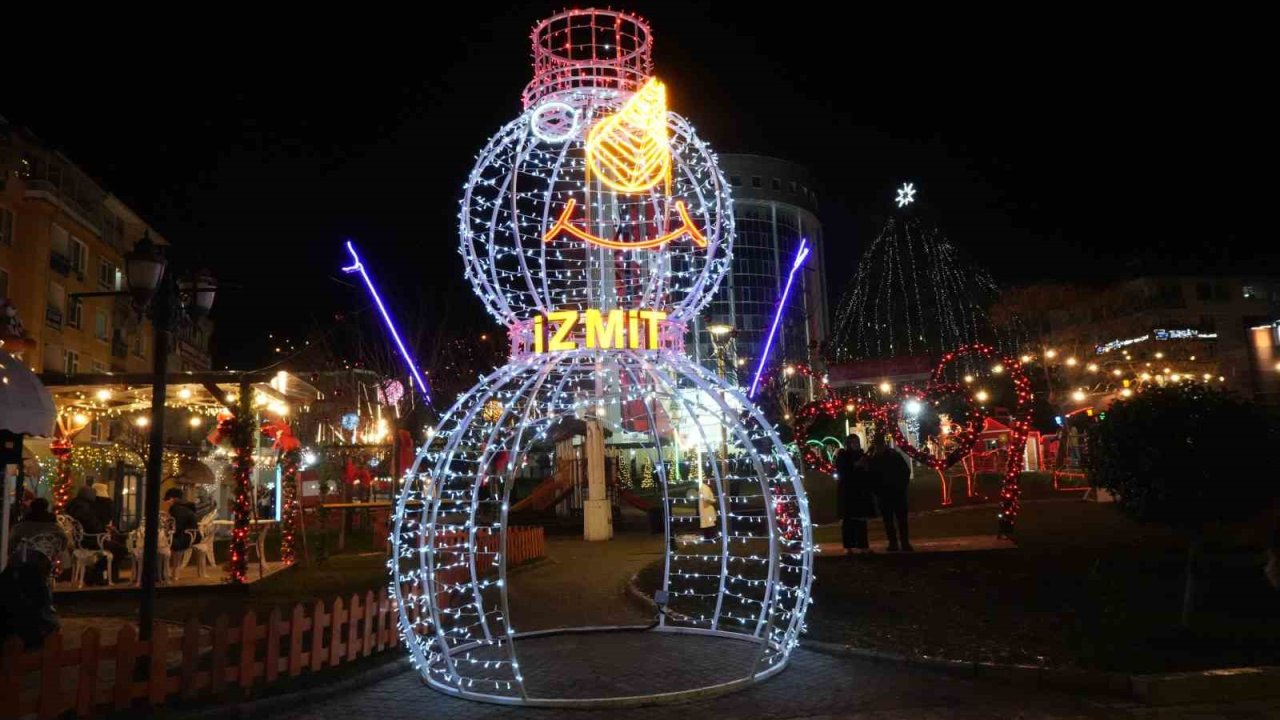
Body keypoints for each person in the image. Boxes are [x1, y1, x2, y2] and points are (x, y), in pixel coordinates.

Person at [65, 485, 128, 584]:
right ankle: (95, 572)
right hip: (91, 540)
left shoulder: (74, 505)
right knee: (121, 549)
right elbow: (92, 525)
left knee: (116, 546)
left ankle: (96, 574)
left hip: (81, 540)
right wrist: (104, 529)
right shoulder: (84, 508)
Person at [869, 433, 913, 552]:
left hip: (896, 493)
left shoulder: (892, 456)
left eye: (880, 445)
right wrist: (877, 490)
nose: (879, 448)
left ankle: (903, 543)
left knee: (900, 520)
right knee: (890, 521)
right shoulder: (875, 459)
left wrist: (901, 486)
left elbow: (905, 472)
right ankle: (895, 543)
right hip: (886, 494)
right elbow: (871, 477)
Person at [834, 435, 877, 555]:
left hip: (860, 492)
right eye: (853, 442)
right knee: (848, 521)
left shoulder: (862, 455)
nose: (856, 444)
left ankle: (863, 546)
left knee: (861, 521)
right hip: (848, 493)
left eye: (857, 442)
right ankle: (848, 546)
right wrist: (856, 465)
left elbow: (868, 472)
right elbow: (842, 471)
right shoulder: (843, 455)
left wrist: (866, 466)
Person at [6, 498, 67, 579]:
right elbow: (63, 545)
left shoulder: (20, 528)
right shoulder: (56, 529)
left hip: (23, 563)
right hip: (47, 563)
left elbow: (10, 546)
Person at [163, 488, 201, 560]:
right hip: (193, 536)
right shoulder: (186, 507)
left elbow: (177, 527)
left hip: (185, 537)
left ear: (173, 499)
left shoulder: (177, 509)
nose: (166, 502)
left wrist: (166, 530)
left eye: (168, 499)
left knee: (159, 544)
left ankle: (164, 565)